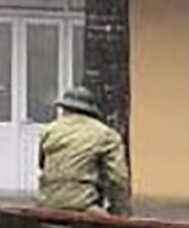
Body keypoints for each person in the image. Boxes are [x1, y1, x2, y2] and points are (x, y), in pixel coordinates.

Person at [37, 86, 131, 215]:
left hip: (47, 205)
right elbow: (118, 178)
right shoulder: (107, 135)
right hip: (85, 207)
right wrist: (121, 213)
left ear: (64, 109)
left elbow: (42, 165)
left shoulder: (49, 131)